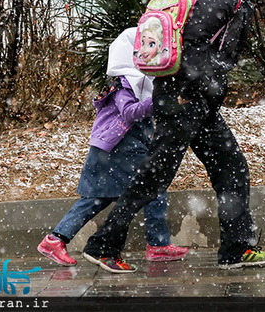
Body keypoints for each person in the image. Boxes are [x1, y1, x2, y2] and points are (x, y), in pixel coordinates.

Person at [82, 0, 265, 273]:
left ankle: (236, 249)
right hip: (185, 99)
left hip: (196, 101)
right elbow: (193, 40)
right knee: (154, 176)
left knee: (231, 168)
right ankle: (103, 245)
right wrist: (190, 88)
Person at [37, 28, 189, 269]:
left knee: (99, 198)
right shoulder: (125, 83)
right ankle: (158, 244)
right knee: (154, 184)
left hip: (113, 147)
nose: (150, 52)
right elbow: (129, 113)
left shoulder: (142, 83)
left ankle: (55, 240)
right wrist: (161, 101)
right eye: (145, 46)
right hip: (120, 145)